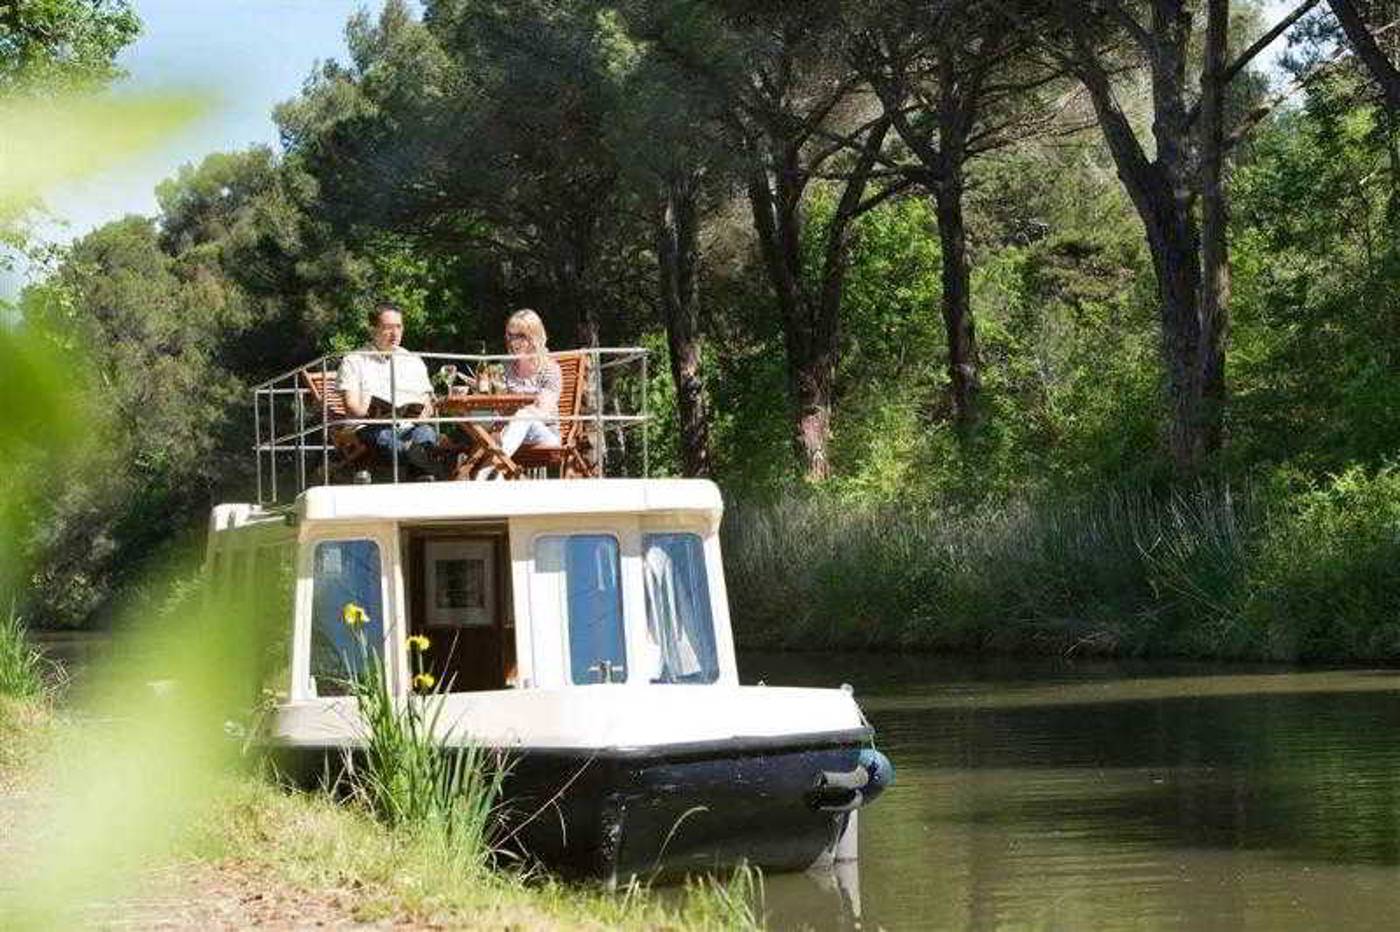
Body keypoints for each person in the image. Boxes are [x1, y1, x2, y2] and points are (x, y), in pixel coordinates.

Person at [337, 302, 439, 479]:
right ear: (372, 330)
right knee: (388, 439)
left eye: (398, 327)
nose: (395, 334)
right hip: (370, 427)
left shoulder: (412, 360)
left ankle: (419, 471)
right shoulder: (354, 360)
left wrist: (425, 412)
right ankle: (423, 474)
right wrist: (374, 411)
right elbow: (351, 408)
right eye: (387, 328)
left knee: (427, 433)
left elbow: (429, 402)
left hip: (409, 426)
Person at [475, 308, 562, 480]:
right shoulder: (505, 367)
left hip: (544, 435)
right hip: (508, 432)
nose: (513, 341)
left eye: (519, 336)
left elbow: (543, 411)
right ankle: (475, 468)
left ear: (534, 336)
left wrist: (514, 411)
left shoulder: (549, 369)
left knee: (525, 415)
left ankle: (489, 471)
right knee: (476, 414)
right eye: (510, 335)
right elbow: (497, 403)